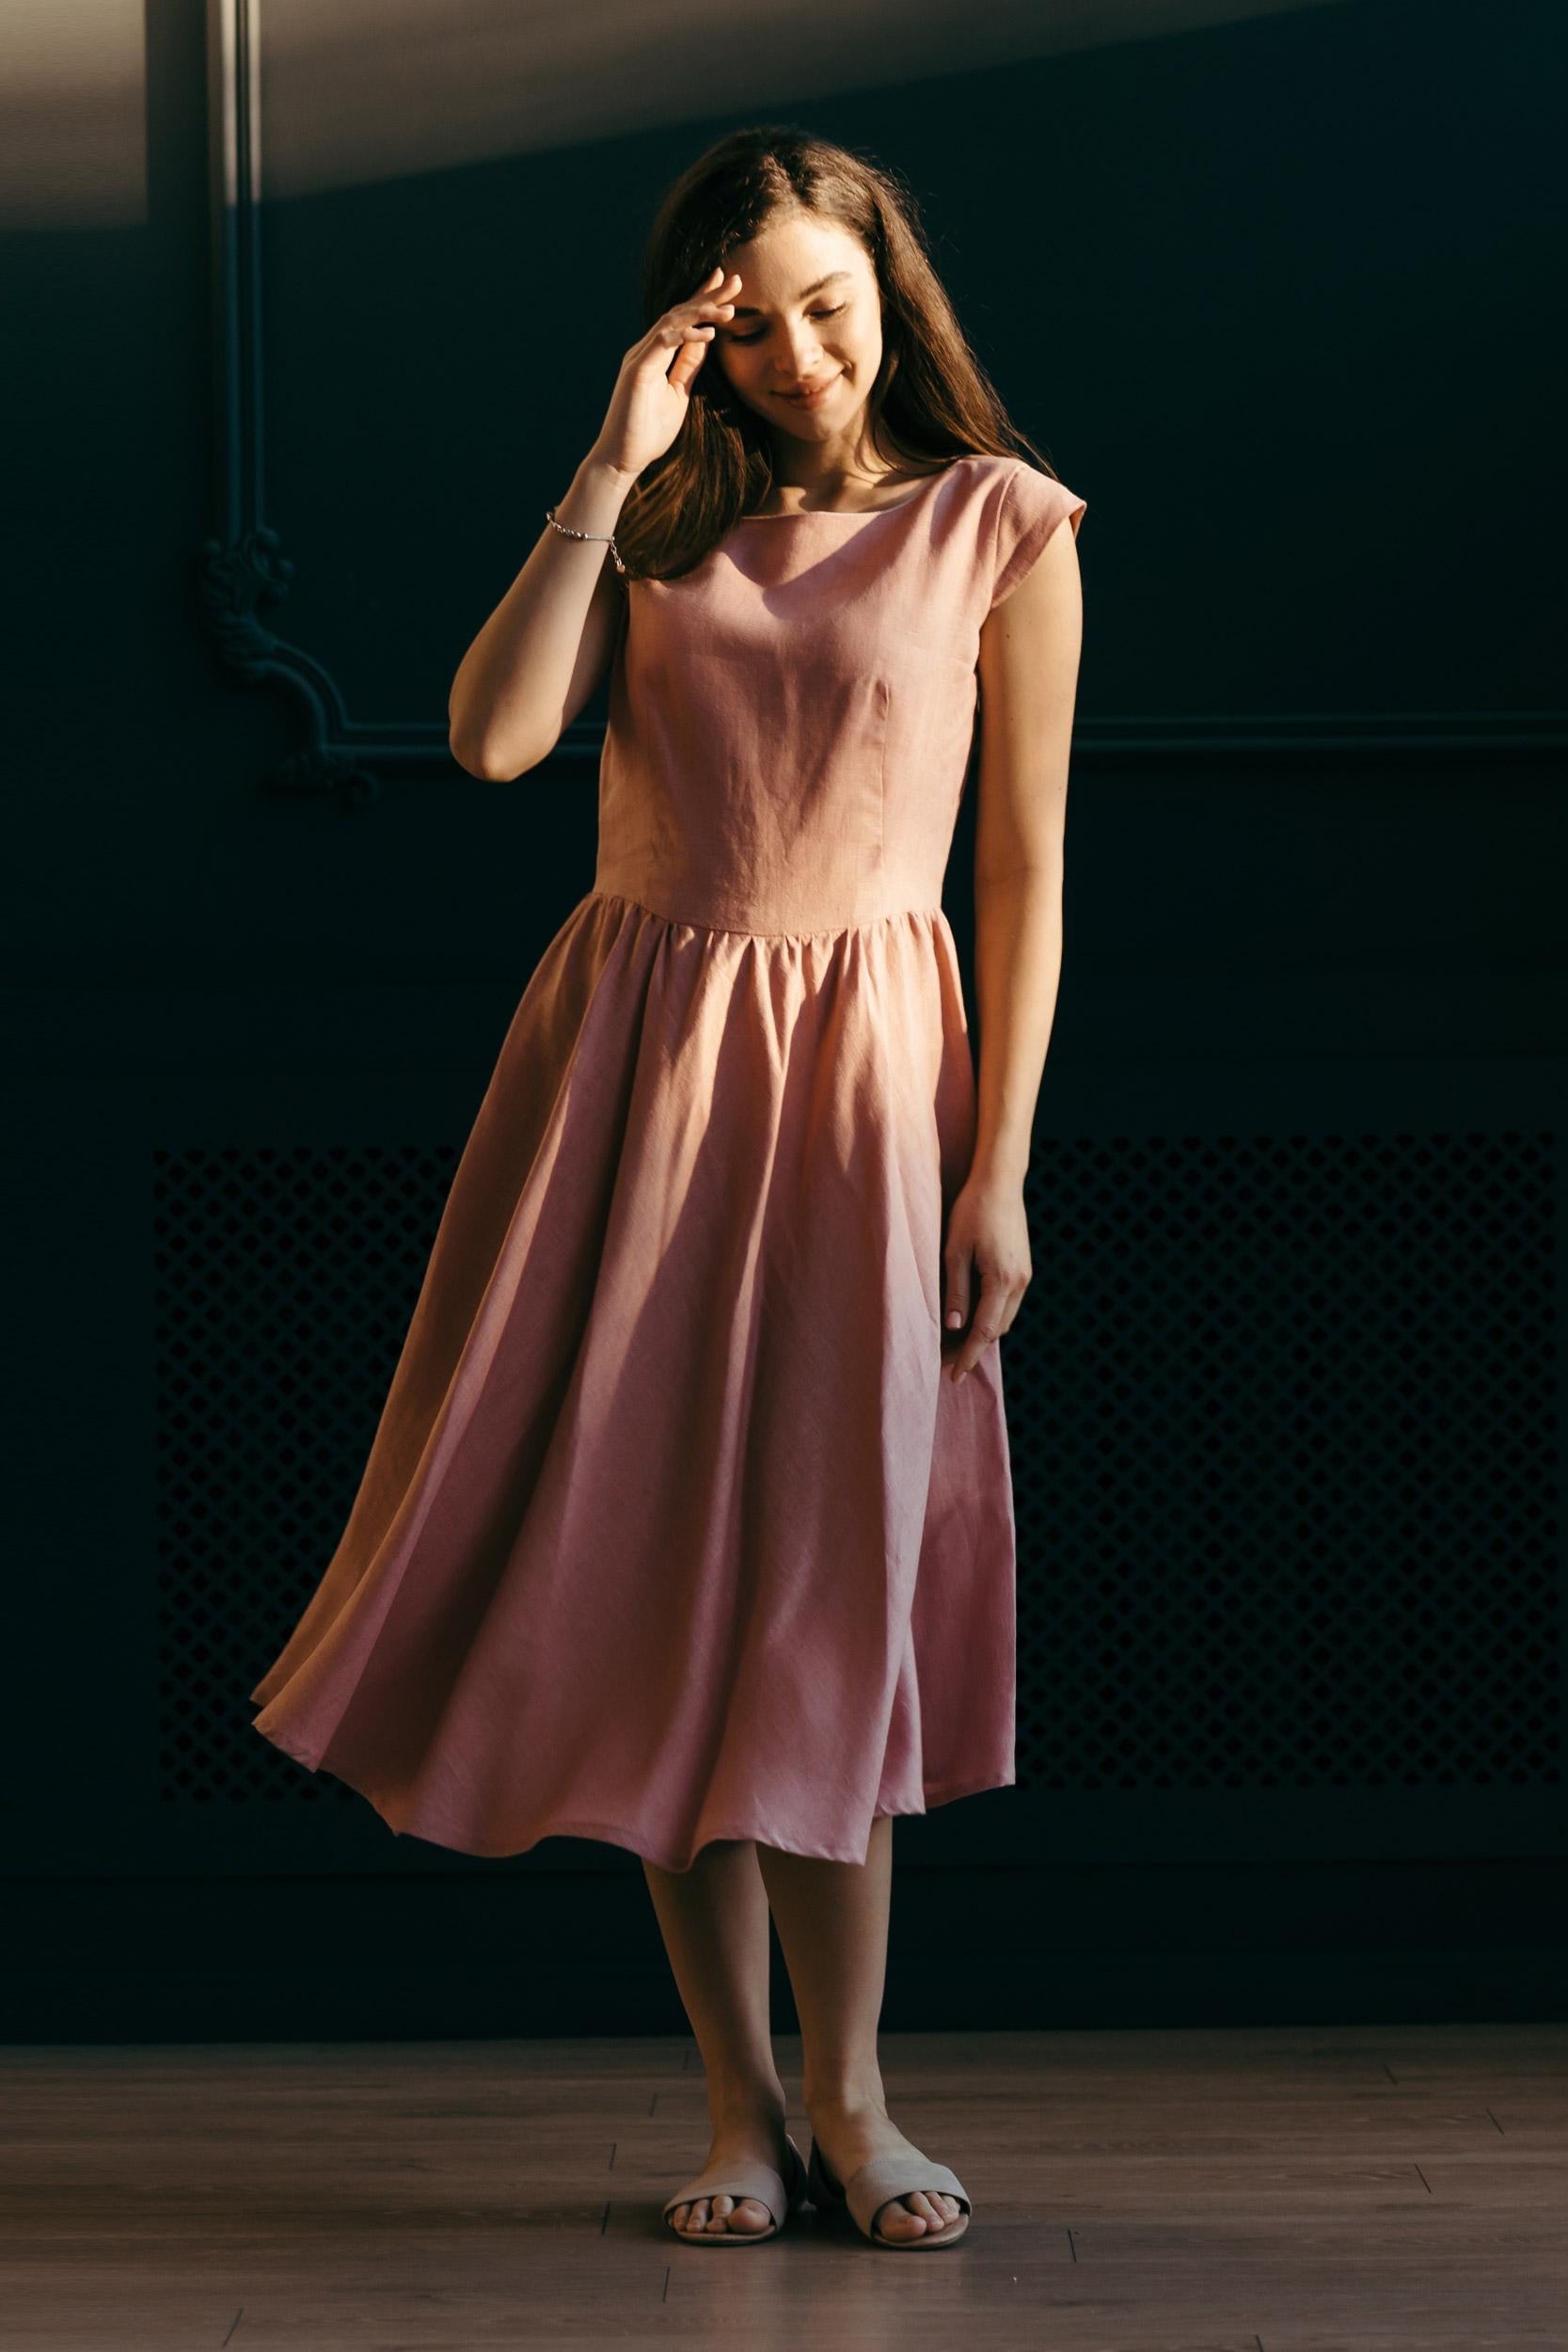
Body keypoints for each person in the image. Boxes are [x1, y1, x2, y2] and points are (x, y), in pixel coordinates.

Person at [250, 123, 1085, 2253]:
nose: (809, 352)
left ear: (891, 286)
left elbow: (1024, 878)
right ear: (698, 332)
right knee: (660, 1589)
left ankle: (858, 2092)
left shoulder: (998, 524)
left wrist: (1000, 1168)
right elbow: (494, 742)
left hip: (873, 1093)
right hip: (637, 1073)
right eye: (763, 318)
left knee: (829, 1594)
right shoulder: (657, 531)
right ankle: (738, 2103)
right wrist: (609, 458)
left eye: (837, 301)